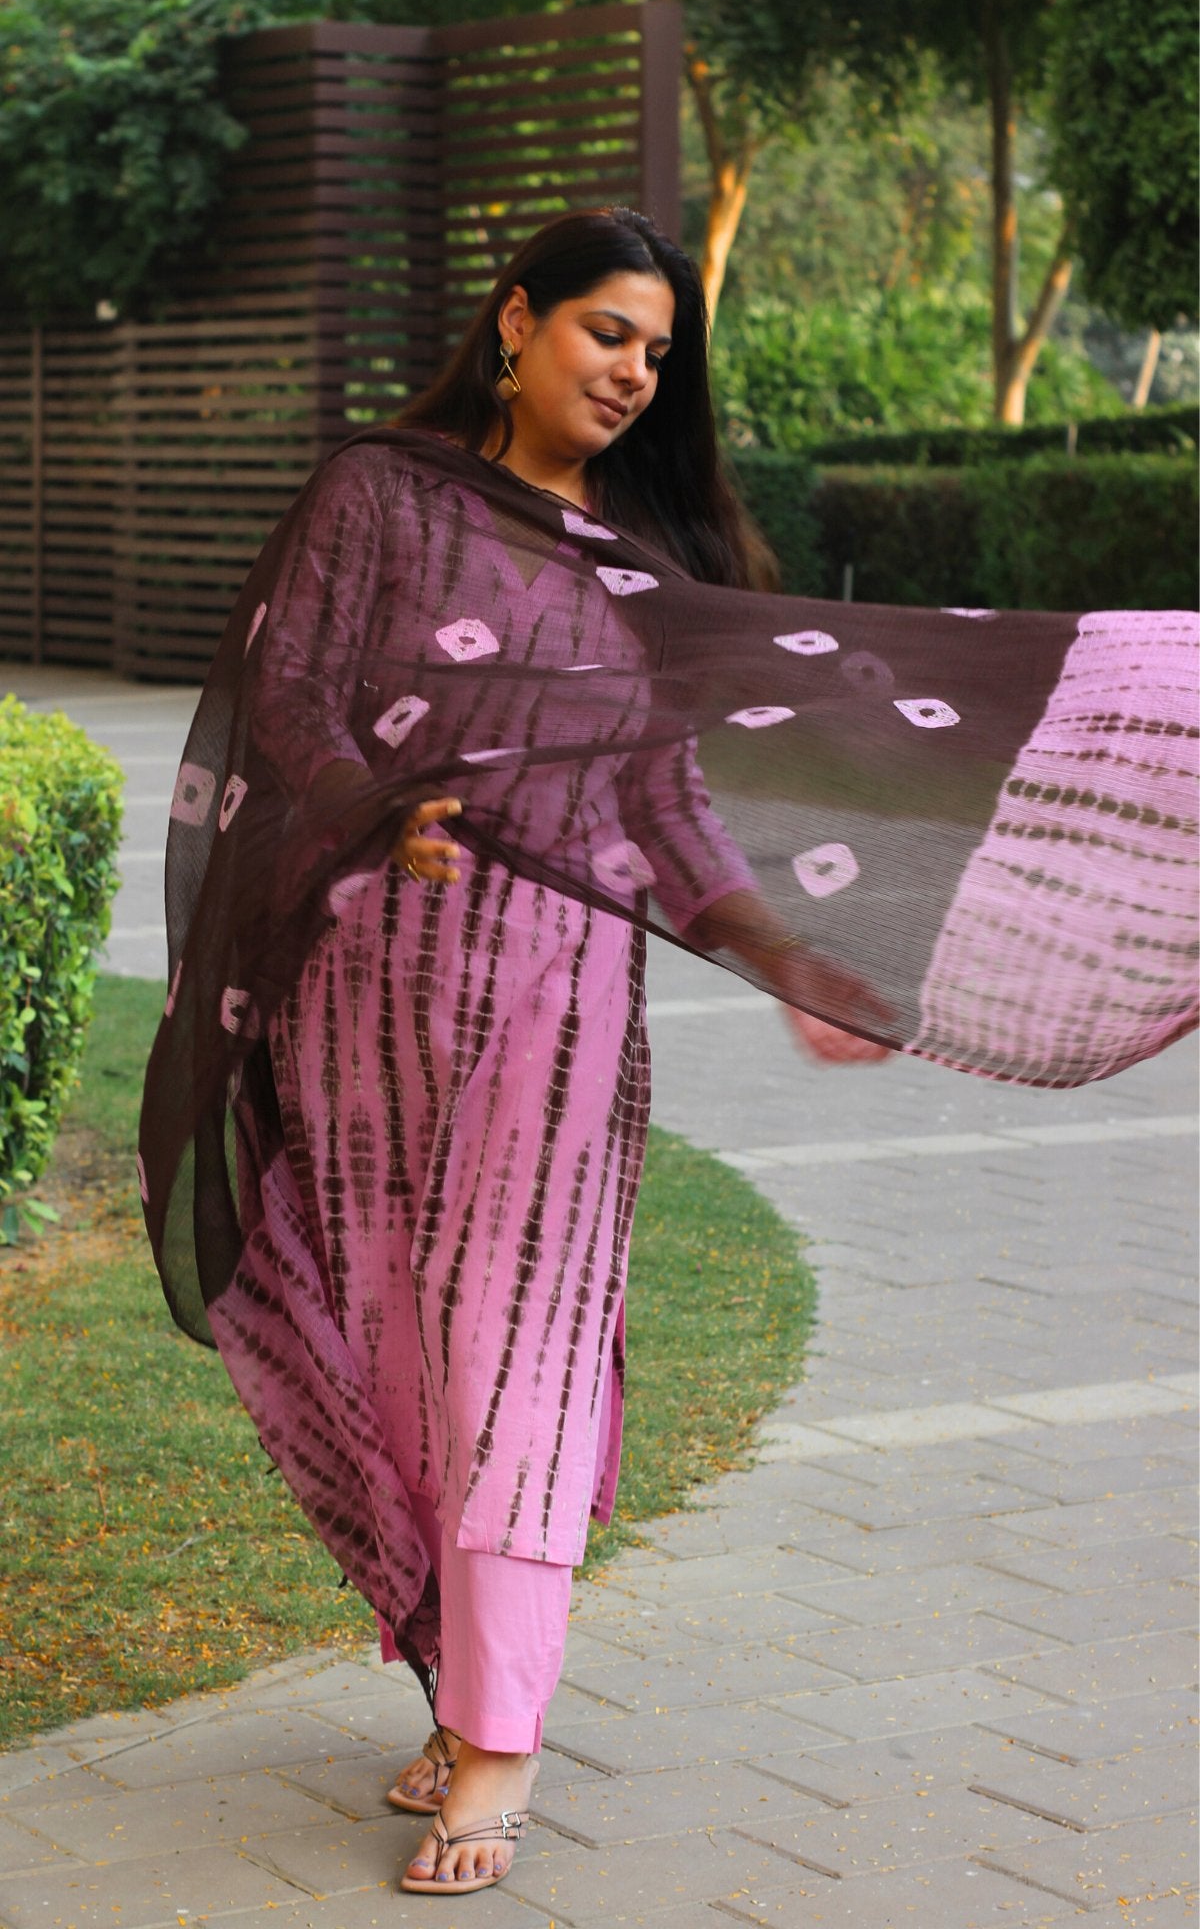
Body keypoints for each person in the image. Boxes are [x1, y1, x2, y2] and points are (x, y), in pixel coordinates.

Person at [139, 208, 1196, 1902]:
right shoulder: (379, 495)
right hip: (362, 981)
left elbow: (657, 796)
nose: (634, 372)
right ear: (515, 322)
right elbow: (296, 700)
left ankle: (500, 1741)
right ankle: (454, 1670)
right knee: (388, 1336)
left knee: (513, 1341)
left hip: (547, 1011)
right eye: (606, 334)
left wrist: (795, 960)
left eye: (656, 352)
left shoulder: (638, 563)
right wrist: (373, 814)